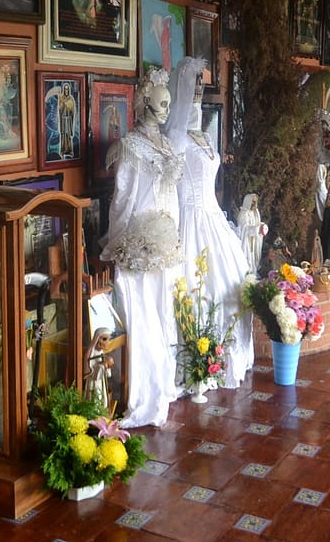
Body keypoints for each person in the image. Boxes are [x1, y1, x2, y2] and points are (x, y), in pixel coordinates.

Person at [100, 68, 184, 428]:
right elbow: (122, 199)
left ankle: (163, 383)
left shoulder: (167, 145)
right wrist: (121, 241)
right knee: (141, 317)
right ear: (146, 101)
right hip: (138, 244)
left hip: (165, 244)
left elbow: (172, 196)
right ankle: (141, 393)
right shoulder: (129, 146)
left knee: (163, 314)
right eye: (161, 103)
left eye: (169, 103)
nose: (166, 109)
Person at [165, 58, 253, 388]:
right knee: (196, 288)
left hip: (214, 217)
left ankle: (221, 357)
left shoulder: (203, 136)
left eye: (202, 84)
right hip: (189, 220)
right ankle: (198, 360)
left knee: (230, 282)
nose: (199, 91)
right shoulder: (175, 139)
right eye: (194, 85)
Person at [84, 327, 114, 411]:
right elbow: (91, 370)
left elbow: (107, 373)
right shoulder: (91, 352)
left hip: (101, 381)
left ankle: (101, 412)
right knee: (95, 398)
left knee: (102, 398)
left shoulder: (100, 352)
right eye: (104, 339)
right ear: (97, 340)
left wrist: (107, 366)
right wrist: (103, 365)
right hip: (94, 381)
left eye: (108, 339)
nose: (107, 342)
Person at [236, 194, 266, 276]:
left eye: (256, 202)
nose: (254, 204)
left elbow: (257, 223)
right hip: (246, 240)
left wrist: (262, 226)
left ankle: (253, 273)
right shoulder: (243, 214)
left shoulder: (255, 213)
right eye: (252, 201)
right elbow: (244, 228)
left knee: (253, 257)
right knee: (248, 257)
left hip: (254, 239)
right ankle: (248, 274)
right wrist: (256, 229)